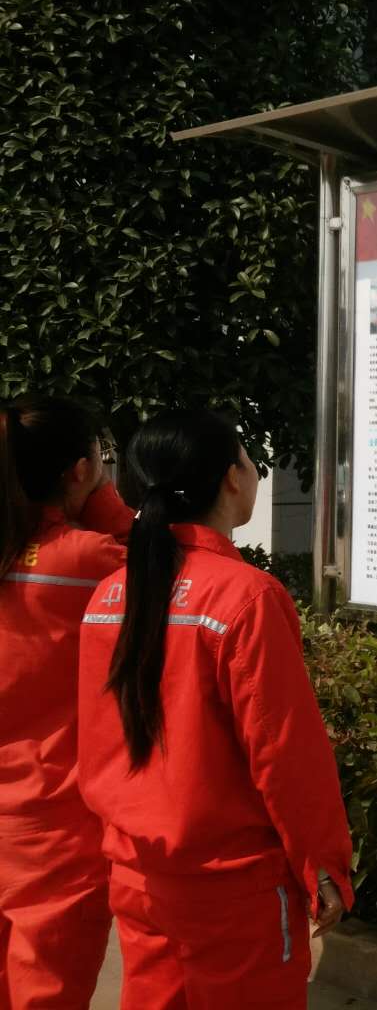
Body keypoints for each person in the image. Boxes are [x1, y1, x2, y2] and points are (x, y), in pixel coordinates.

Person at [77, 410, 353, 1008]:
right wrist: (323, 865)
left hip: (139, 874)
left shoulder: (110, 594)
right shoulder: (246, 597)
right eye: (250, 459)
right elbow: (285, 754)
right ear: (232, 478)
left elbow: (99, 741)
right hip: (235, 888)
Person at [0, 396, 131, 1010]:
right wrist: (106, 504)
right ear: (79, 470)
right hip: (54, 830)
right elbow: (190, 573)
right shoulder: (90, 561)